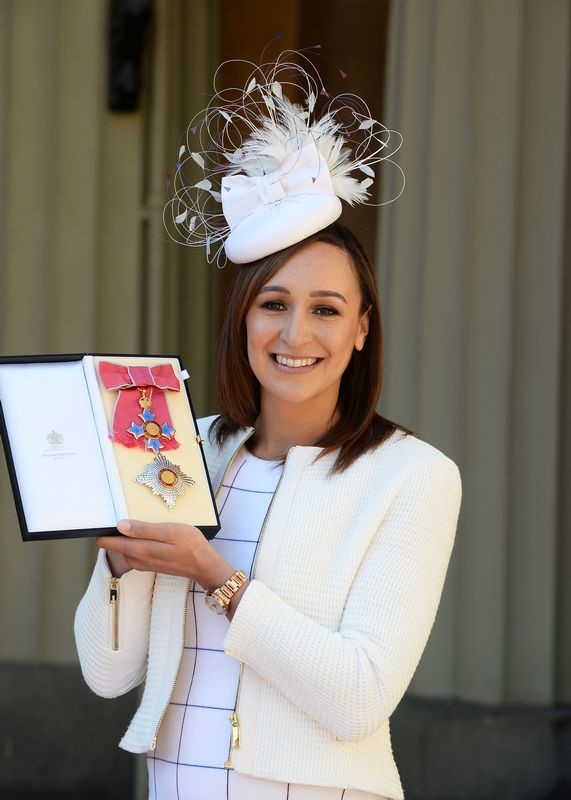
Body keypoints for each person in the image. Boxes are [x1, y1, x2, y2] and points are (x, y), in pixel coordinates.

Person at [75, 51, 461, 800]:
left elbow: (358, 697)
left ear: (360, 330)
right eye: (272, 304)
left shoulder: (412, 476)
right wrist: (120, 565)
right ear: (242, 317)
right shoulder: (185, 449)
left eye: (325, 309)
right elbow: (105, 673)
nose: (295, 333)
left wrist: (214, 576)